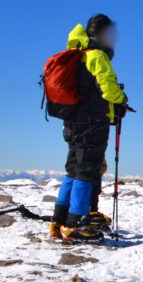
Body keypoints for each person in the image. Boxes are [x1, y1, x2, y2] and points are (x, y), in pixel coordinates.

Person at [51, 15, 128, 243]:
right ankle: (76, 222)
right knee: (86, 171)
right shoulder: (96, 56)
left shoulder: (79, 55)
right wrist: (121, 100)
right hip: (92, 122)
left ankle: (59, 220)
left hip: (73, 122)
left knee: (73, 170)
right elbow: (109, 90)